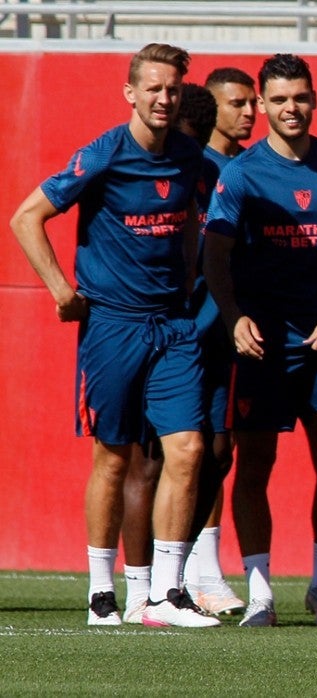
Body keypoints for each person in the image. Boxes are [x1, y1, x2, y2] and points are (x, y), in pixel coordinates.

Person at [10, 43, 219, 628]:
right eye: (153, 87)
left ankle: (165, 594)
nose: (163, 97)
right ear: (130, 93)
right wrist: (61, 290)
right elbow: (26, 217)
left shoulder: (190, 158)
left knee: (190, 450)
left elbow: (192, 228)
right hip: (114, 325)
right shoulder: (104, 154)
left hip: (174, 326)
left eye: (172, 88)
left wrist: (191, 276)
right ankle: (104, 592)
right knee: (112, 457)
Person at [204, 54, 317, 628]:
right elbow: (215, 255)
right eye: (277, 100)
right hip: (262, 345)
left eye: (299, 97)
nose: (289, 108)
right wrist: (233, 317)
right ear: (263, 105)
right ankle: (260, 593)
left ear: (314, 100)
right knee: (254, 466)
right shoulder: (242, 172)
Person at [117, 80, 235, 624]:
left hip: (210, 336)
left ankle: (176, 581)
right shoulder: (138, 169)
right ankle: (137, 590)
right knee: (147, 460)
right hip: (154, 331)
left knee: (210, 455)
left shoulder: (218, 179)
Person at [179, 67, 258, 617]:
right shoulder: (190, 164)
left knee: (219, 451)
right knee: (169, 454)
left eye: (253, 101)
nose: (250, 112)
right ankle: (166, 576)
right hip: (182, 327)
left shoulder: (245, 170)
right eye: (238, 103)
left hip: (224, 332)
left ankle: (200, 568)